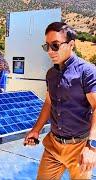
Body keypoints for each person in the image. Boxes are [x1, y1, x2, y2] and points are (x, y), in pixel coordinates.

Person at [24, 22, 96, 179]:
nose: (50, 51)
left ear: (71, 44)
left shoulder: (87, 72)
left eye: (55, 45)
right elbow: (49, 103)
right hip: (53, 146)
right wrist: (36, 130)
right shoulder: (51, 74)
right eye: (47, 46)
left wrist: (92, 147)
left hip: (79, 147)